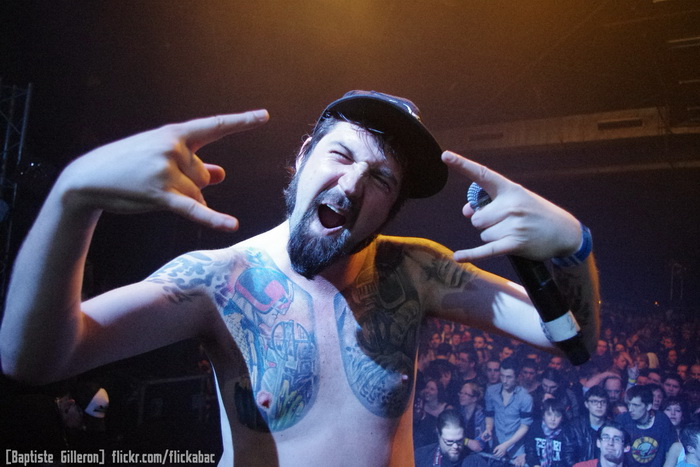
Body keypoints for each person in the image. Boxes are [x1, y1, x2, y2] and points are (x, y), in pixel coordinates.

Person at [0, 91, 600, 466]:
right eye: (342, 155)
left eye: (382, 179)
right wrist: (74, 198)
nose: (353, 185)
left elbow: (571, 339)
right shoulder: (219, 281)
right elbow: (36, 359)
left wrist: (574, 247)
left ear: (391, 210)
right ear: (305, 154)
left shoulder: (417, 271)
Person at [477, 357, 534, 466]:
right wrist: (488, 428)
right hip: (496, 446)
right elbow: (489, 414)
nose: (504, 380)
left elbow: (525, 426)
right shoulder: (491, 391)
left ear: (517, 377)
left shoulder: (525, 398)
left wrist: (506, 445)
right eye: (502, 376)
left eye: (509, 377)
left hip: (516, 451)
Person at [617, 385, 676, 467]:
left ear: (648, 406)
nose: (630, 409)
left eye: (636, 405)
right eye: (629, 404)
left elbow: (670, 451)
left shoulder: (662, 421)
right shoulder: (622, 420)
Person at [524, 398, 576, 467]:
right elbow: (530, 451)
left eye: (557, 415)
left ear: (562, 418)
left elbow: (568, 457)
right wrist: (535, 464)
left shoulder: (566, 432)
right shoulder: (535, 428)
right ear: (543, 415)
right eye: (549, 414)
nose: (553, 419)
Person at [570, 386, 611, 463]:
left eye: (603, 402)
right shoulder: (575, 426)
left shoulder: (612, 428)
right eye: (594, 401)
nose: (599, 406)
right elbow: (568, 456)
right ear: (586, 404)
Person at [457, 382, 487, 455]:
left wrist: (463, 440)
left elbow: (478, 446)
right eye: (461, 393)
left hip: (477, 456)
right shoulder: (459, 412)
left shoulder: (480, 415)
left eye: (466, 394)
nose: (461, 396)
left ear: (474, 398)